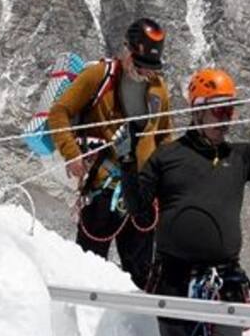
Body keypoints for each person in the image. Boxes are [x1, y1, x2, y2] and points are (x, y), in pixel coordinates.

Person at [129, 68, 250, 336]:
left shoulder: (241, 156)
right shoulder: (166, 157)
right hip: (173, 276)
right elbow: (138, 212)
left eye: (230, 110)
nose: (226, 118)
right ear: (197, 110)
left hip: (226, 278)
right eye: (219, 110)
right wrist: (128, 163)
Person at [47, 17, 175, 286]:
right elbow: (59, 112)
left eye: (150, 68)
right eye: (140, 65)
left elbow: (164, 136)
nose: (145, 73)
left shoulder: (158, 90)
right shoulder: (98, 76)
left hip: (143, 193)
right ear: (127, 51)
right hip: (103, 189)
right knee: (88, 268)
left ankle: (135, 325)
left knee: (141, 275)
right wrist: (72, 154)